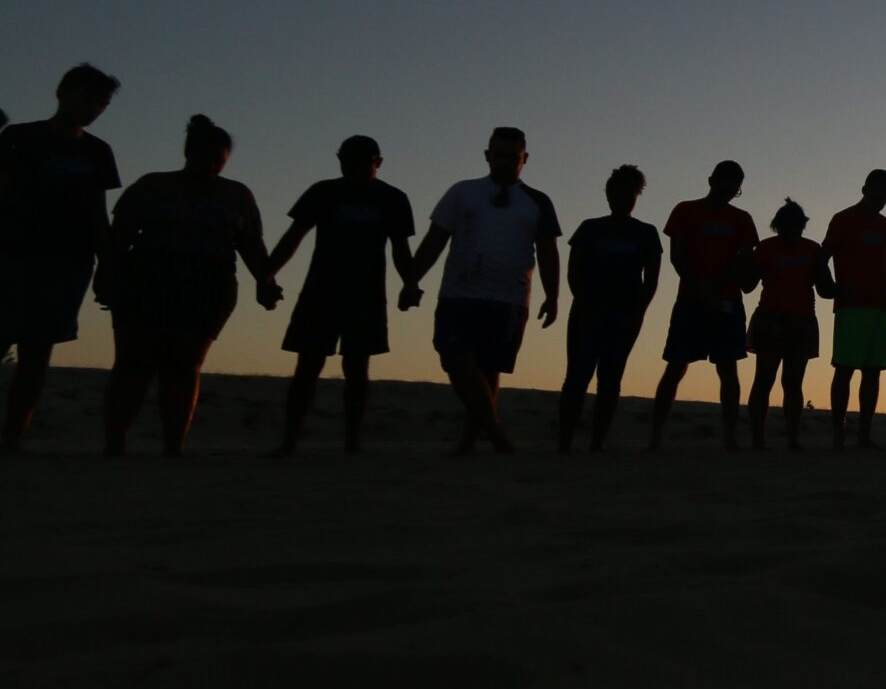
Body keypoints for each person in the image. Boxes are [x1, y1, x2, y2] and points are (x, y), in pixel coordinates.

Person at [98, 115, 280, 455]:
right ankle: (115, 442)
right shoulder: (152, 186)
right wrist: (106, 275)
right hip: (148, 277)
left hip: (208, 283)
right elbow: (119, 236)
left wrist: (265, 282)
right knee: (134, 362)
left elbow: (251, 244)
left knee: (184, 365)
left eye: (217, 160)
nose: (210, 166)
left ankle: (173, 446)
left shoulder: (237, 195)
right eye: (203, 157)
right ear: (187, 152)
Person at [408, 127, 562, 455]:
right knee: (455, 359)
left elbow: (548, 251)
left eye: (513, 157)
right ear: (487, 155)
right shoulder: (463, 193)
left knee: (490, 370)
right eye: (500, 155)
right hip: (459, 295)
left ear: (524, 159)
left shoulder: (537, 201)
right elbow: (435, 239)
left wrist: (553, 295)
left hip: (509, 298)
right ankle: (495, 431)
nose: (506, 162)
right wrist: (412, 279)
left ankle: (469, 439)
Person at [265, 135, 417, 455]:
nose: (356, 168)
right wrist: (266, 273)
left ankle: (352, 440)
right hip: (321, 289)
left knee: (357, 367)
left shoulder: (392, 198)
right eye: (348, 161)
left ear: (378, 163)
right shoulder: (324, 192)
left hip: (366, 293)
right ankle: (290, 439)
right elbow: (294, 236)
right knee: (307, 365)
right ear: (339, 161)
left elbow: (401, 250)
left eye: (364, 162)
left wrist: (410, 283)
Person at [1, 63, 121, 452]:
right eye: (89, 98)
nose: (94, 108)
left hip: (68, 261)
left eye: (101, 103)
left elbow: (97, 213)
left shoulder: (98, 152)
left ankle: (12, 439)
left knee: (37, 353)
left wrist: (108, 265)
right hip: (13, 255)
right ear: (63, 92)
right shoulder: (20, 138)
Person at [648, 161, 756, 452]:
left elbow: (744, 259)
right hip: (691, 299)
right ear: (711, 180)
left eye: (734, 187)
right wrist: (700, 287)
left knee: (728, 369)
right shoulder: (685, 210)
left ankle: (729, 438)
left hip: (727, 301)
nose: (728, 190)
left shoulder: (742, 219)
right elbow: (677, 256)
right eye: (724, 183)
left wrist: (719, 285)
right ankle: (656, 437)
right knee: (675, 366)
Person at [555, 165, 660, 452]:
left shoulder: (646, 233)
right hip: (587, 312)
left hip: (624, 314)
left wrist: (638, 312)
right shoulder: (590, 228)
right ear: (607, 193)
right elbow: (573, 271)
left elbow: (651, 279)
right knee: (577, 376)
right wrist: (584, 303)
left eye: (629, 193)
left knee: (611, 379)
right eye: (617, 192)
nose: (622, 198)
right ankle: (564, 443)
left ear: (636, 195)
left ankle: (597, 443)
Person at [820, 169, 886, 450]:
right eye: (878, 193)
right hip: (851, 307)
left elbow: (884, 267)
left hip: (880, 306)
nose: (881, 200)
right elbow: (823, 256)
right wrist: (830, 288)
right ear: (865, 188)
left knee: (873, 370)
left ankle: (863, 435)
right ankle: (838, 435)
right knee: (844, 369)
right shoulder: (843, 219)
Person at [746, 198, 829, 451]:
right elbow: (748, 284)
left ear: (802, 226)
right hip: (771, 318)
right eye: (786, 227)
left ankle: (792, 439)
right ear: (777, 226)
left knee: (793, 382)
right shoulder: (765, 248)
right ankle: (758, 439)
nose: (791, 232)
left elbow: (826, 288)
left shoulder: (813, 250)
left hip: (801, 321)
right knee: (764, 379)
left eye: (796, 227)